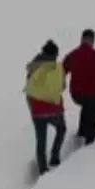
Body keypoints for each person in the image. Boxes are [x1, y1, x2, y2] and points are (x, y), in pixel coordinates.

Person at [62, 29, 95, 147]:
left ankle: (81, 133)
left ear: (82, 39)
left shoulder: (73, 54)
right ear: (91, 40)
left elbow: (62, 71)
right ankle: (89, 142)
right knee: (93, 109)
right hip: (92, 95)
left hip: (76, 94)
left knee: (87, 107)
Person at [25, 40, 67, 176]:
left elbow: (30, 89)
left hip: (37, 111)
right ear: (55, 54)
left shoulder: (33, 67)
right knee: (61, 129)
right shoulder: (57, 67)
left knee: (41, 139)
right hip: (54, 109)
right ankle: (54, 157)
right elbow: (62, 86)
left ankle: (42, 169)